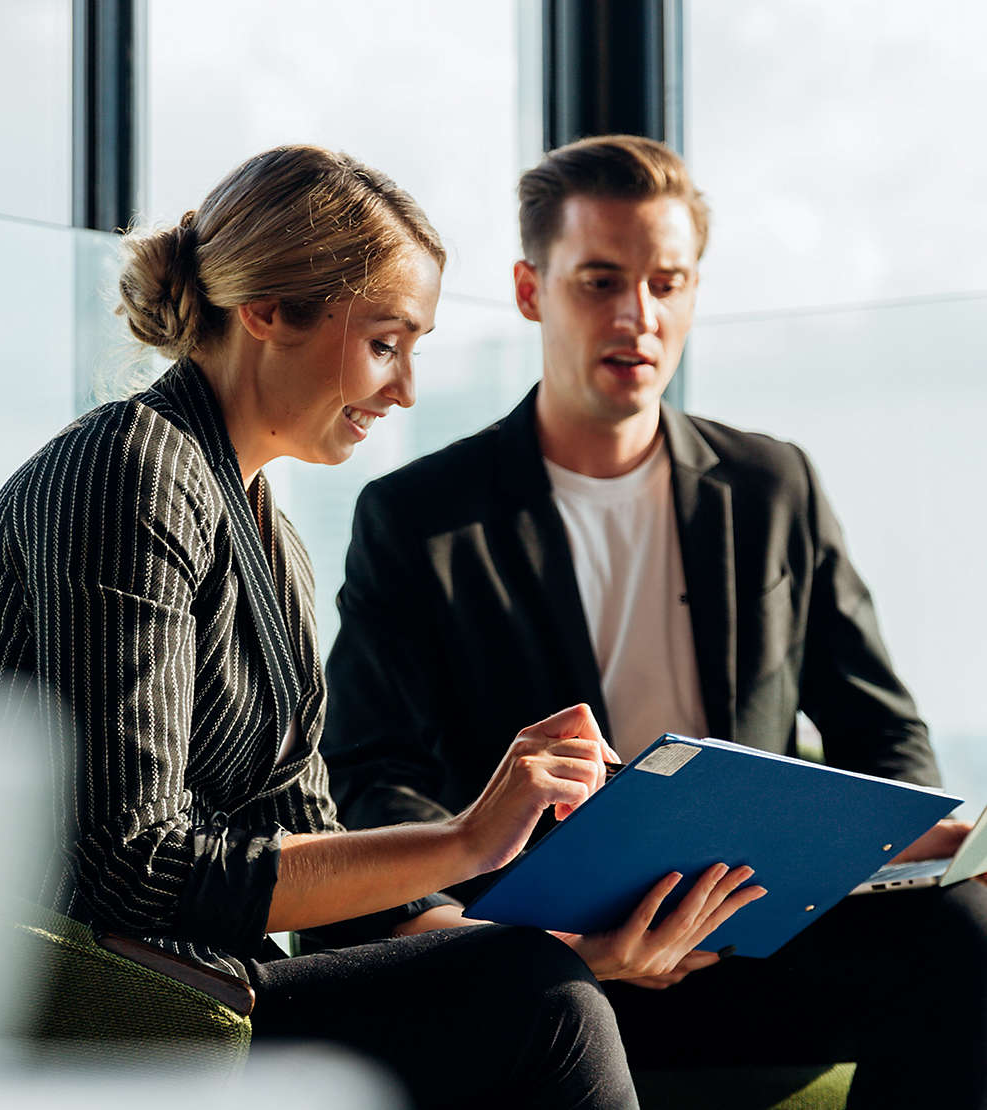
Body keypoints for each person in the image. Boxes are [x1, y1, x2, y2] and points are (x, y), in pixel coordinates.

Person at [0, 144, 767, 1110]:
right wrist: (465, 841)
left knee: (541, 980)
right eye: (383, 342)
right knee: (535, 1004)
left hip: (207, 998)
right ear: (268, 314)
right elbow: (133, 868)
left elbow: (319, 857)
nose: (405, 388)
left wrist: (568, 944)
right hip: (88, 1011)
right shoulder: (131, 474)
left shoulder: (266, 535)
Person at [322, 135, 987, 1107]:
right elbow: (375, 775)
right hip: (556, 962)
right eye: (600, 281)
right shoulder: (419, 518)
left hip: (753, 945)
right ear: (528, 290)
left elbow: (885, 735)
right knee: (530, 990)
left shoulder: (773, 486)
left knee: (961, 941)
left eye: (668, 283)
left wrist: (901, 849)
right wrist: (531, 937)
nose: (639, 316)